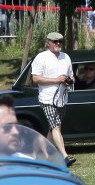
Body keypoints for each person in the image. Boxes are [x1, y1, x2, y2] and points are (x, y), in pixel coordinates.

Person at [30, 30, 74, 165]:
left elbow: (72, 76)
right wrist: (57, 80)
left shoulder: (66, 57)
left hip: (62, 98)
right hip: (47, 98)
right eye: (55, 41)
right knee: (56, 126)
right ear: (47, 43)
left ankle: (39, 154)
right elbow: (35, 78)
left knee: (53, 128)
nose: (58, 44)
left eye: (60, 41)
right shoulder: (41, 57)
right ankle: (65, 156)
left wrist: (69, 81)